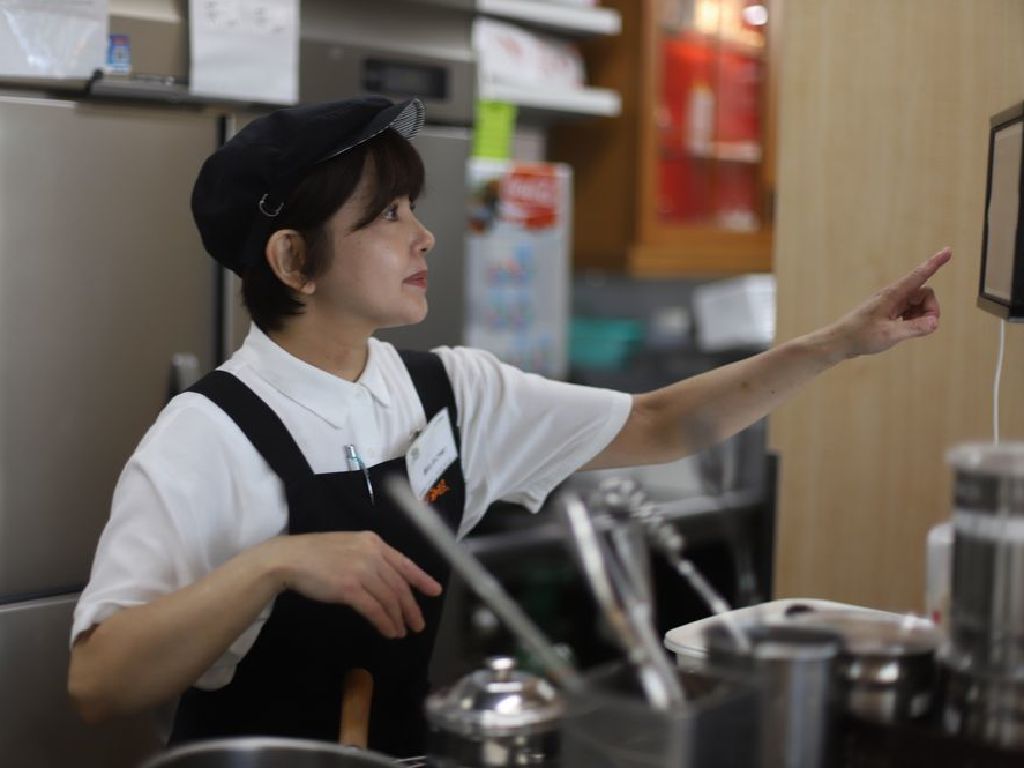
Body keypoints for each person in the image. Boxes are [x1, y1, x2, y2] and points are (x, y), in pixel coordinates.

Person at [67, 96, 951, 756]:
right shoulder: (205, 435)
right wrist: (275, 562)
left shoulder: (450, 390)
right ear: (294, 260)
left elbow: (658, 423)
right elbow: (99, 682)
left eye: (413, 209)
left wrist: (838, 343)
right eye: (388, 216)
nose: (426, 238)